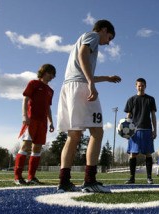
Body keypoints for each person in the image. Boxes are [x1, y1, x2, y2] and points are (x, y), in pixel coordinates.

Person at [56, 19, 121, 193]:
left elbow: (82, 70)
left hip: (68, 87)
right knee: (97, 132)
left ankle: (63, 182)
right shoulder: (92, 35)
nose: (108, 42)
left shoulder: (81, 39)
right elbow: (83, 56)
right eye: (109, 37)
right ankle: (90, 181)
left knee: (74, 135)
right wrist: (91, 83)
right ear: (104, 30)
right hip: (80, 87)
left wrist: (105, 78)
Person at [14, 64, 56, 185]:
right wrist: (24, 116)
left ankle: (31, 177)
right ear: (43, 72)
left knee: (37, 148)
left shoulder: (50, 90)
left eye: (53, 74)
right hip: (31, 120)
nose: (52, 76)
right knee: (26, 146)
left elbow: (48, 107)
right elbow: (25, 99)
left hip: (43, 123)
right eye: (50, 73)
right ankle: (17, 177)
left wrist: (51, 122)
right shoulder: (33, 83)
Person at [124, 78, 157, 184]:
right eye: (139, 85)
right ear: (135, 86)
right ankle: (132, 177)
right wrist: (126, 131)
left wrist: (155, 130)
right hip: (134, 131)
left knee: (148, 154)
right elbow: (128, 116)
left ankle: (149, 177)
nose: (141, 87)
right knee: (133, 154)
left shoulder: (150, 99)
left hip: (147, 129)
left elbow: (153, 115)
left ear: (145, 86)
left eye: (142, 85)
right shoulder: (131, 100)